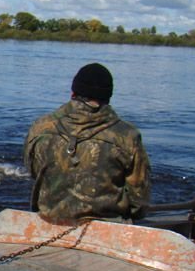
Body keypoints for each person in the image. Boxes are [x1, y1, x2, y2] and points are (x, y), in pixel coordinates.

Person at [23, 62, 150, 221]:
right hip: (109, 229)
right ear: (108, 97)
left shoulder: (40, 126)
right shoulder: (128, 136)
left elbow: (34, 171)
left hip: (47, 222)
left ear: (73, 93)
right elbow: (138, 200)